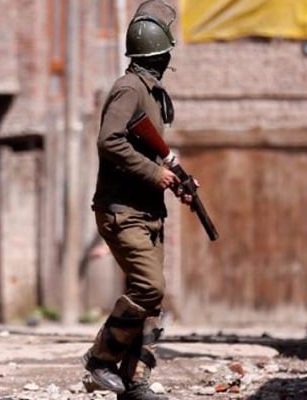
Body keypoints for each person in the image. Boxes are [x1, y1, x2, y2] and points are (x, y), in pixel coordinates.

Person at [82, 2, 186, 399]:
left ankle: (134, 379)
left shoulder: (150, 91)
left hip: (147, 212)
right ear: (160, 54)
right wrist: (154, 173)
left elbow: (148, 151)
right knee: (149, 287)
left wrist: (174, 177)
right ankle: (100, 361)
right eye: (167, 52)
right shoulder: (129, 89)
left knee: (151, 303)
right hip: (122, 211)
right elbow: (110, 140)